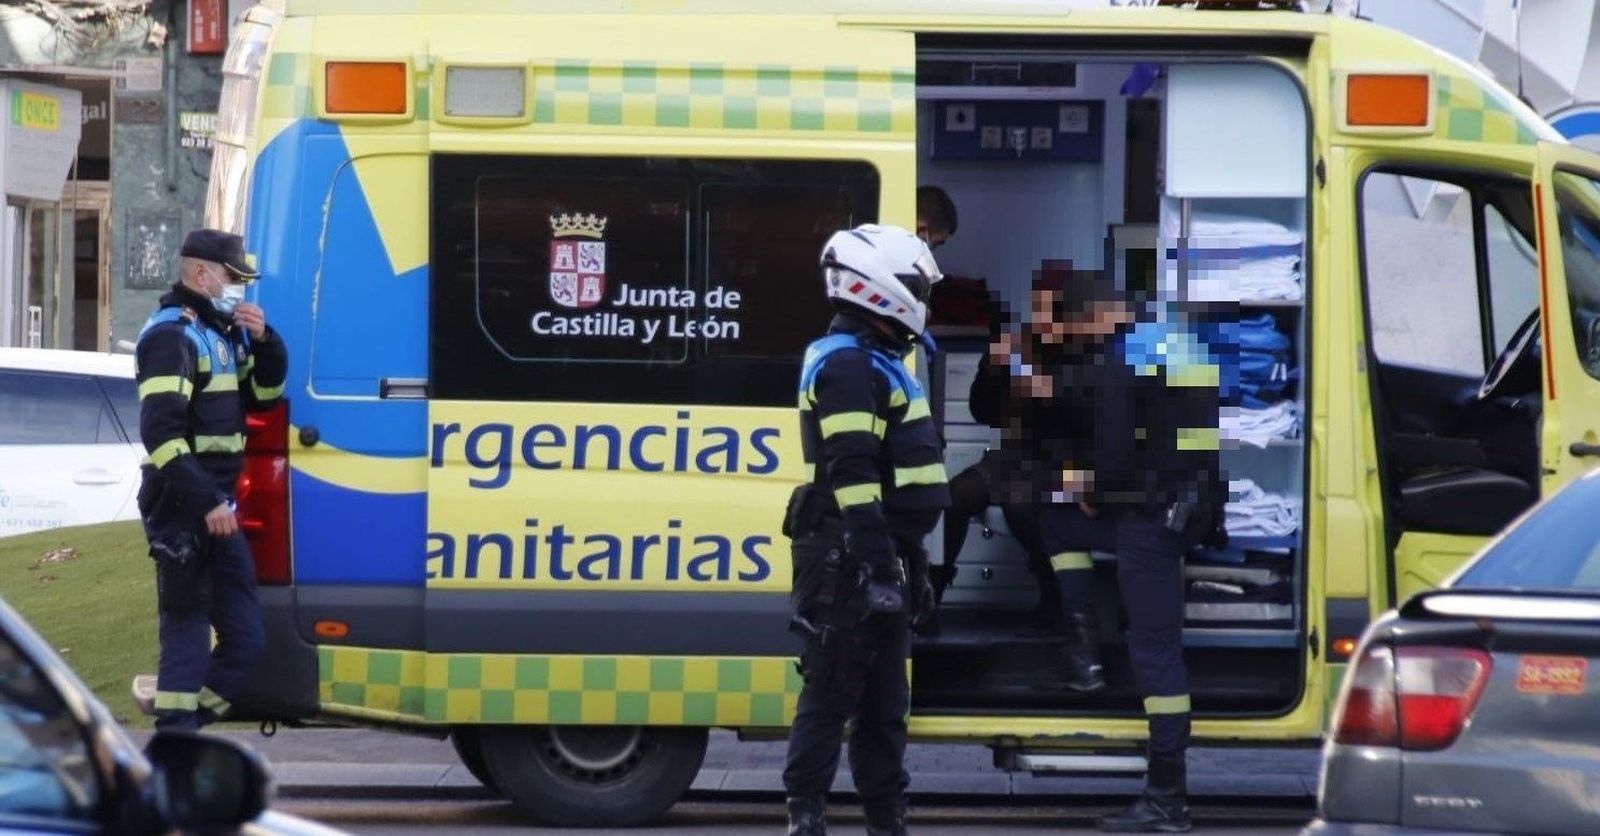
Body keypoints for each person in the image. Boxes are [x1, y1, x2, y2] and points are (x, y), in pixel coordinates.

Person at [1017, 276, 1222, 832]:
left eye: (1080, 329)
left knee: (1155, 653)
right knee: (1056, 522)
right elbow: (1191, 440)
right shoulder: (1180, 344)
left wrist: (1092, 489)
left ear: (1096, 318)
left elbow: (1112, 456)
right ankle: (1082, 658)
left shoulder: (1117, 361)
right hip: (1187, 509)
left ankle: (1167, 799)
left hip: (1148, 520)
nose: (1080, 339)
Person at [782, 224, 949, 836]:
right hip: (849, 560)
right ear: (878, 288)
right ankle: (806, 821)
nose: (919, 297)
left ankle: (887, 820)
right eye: (913, 285)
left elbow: (893, 481)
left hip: (878, 556)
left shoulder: (875, 360)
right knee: (830, 698)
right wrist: (879, 566)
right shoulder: (848, 365)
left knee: (884, 709)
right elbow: (852, 474)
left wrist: (911, 566)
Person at [129, 229, 287, 731]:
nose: (238, 287)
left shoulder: (220, 333)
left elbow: (262, 396)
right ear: (201, 274)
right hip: (183, 508)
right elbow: (162, 437)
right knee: (187, 634)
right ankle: (174, 748)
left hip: (219, 508)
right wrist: (206, 504)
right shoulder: (171, 335)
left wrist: (266, 341)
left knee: (246, 642)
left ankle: (186, 729)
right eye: (232, 277)